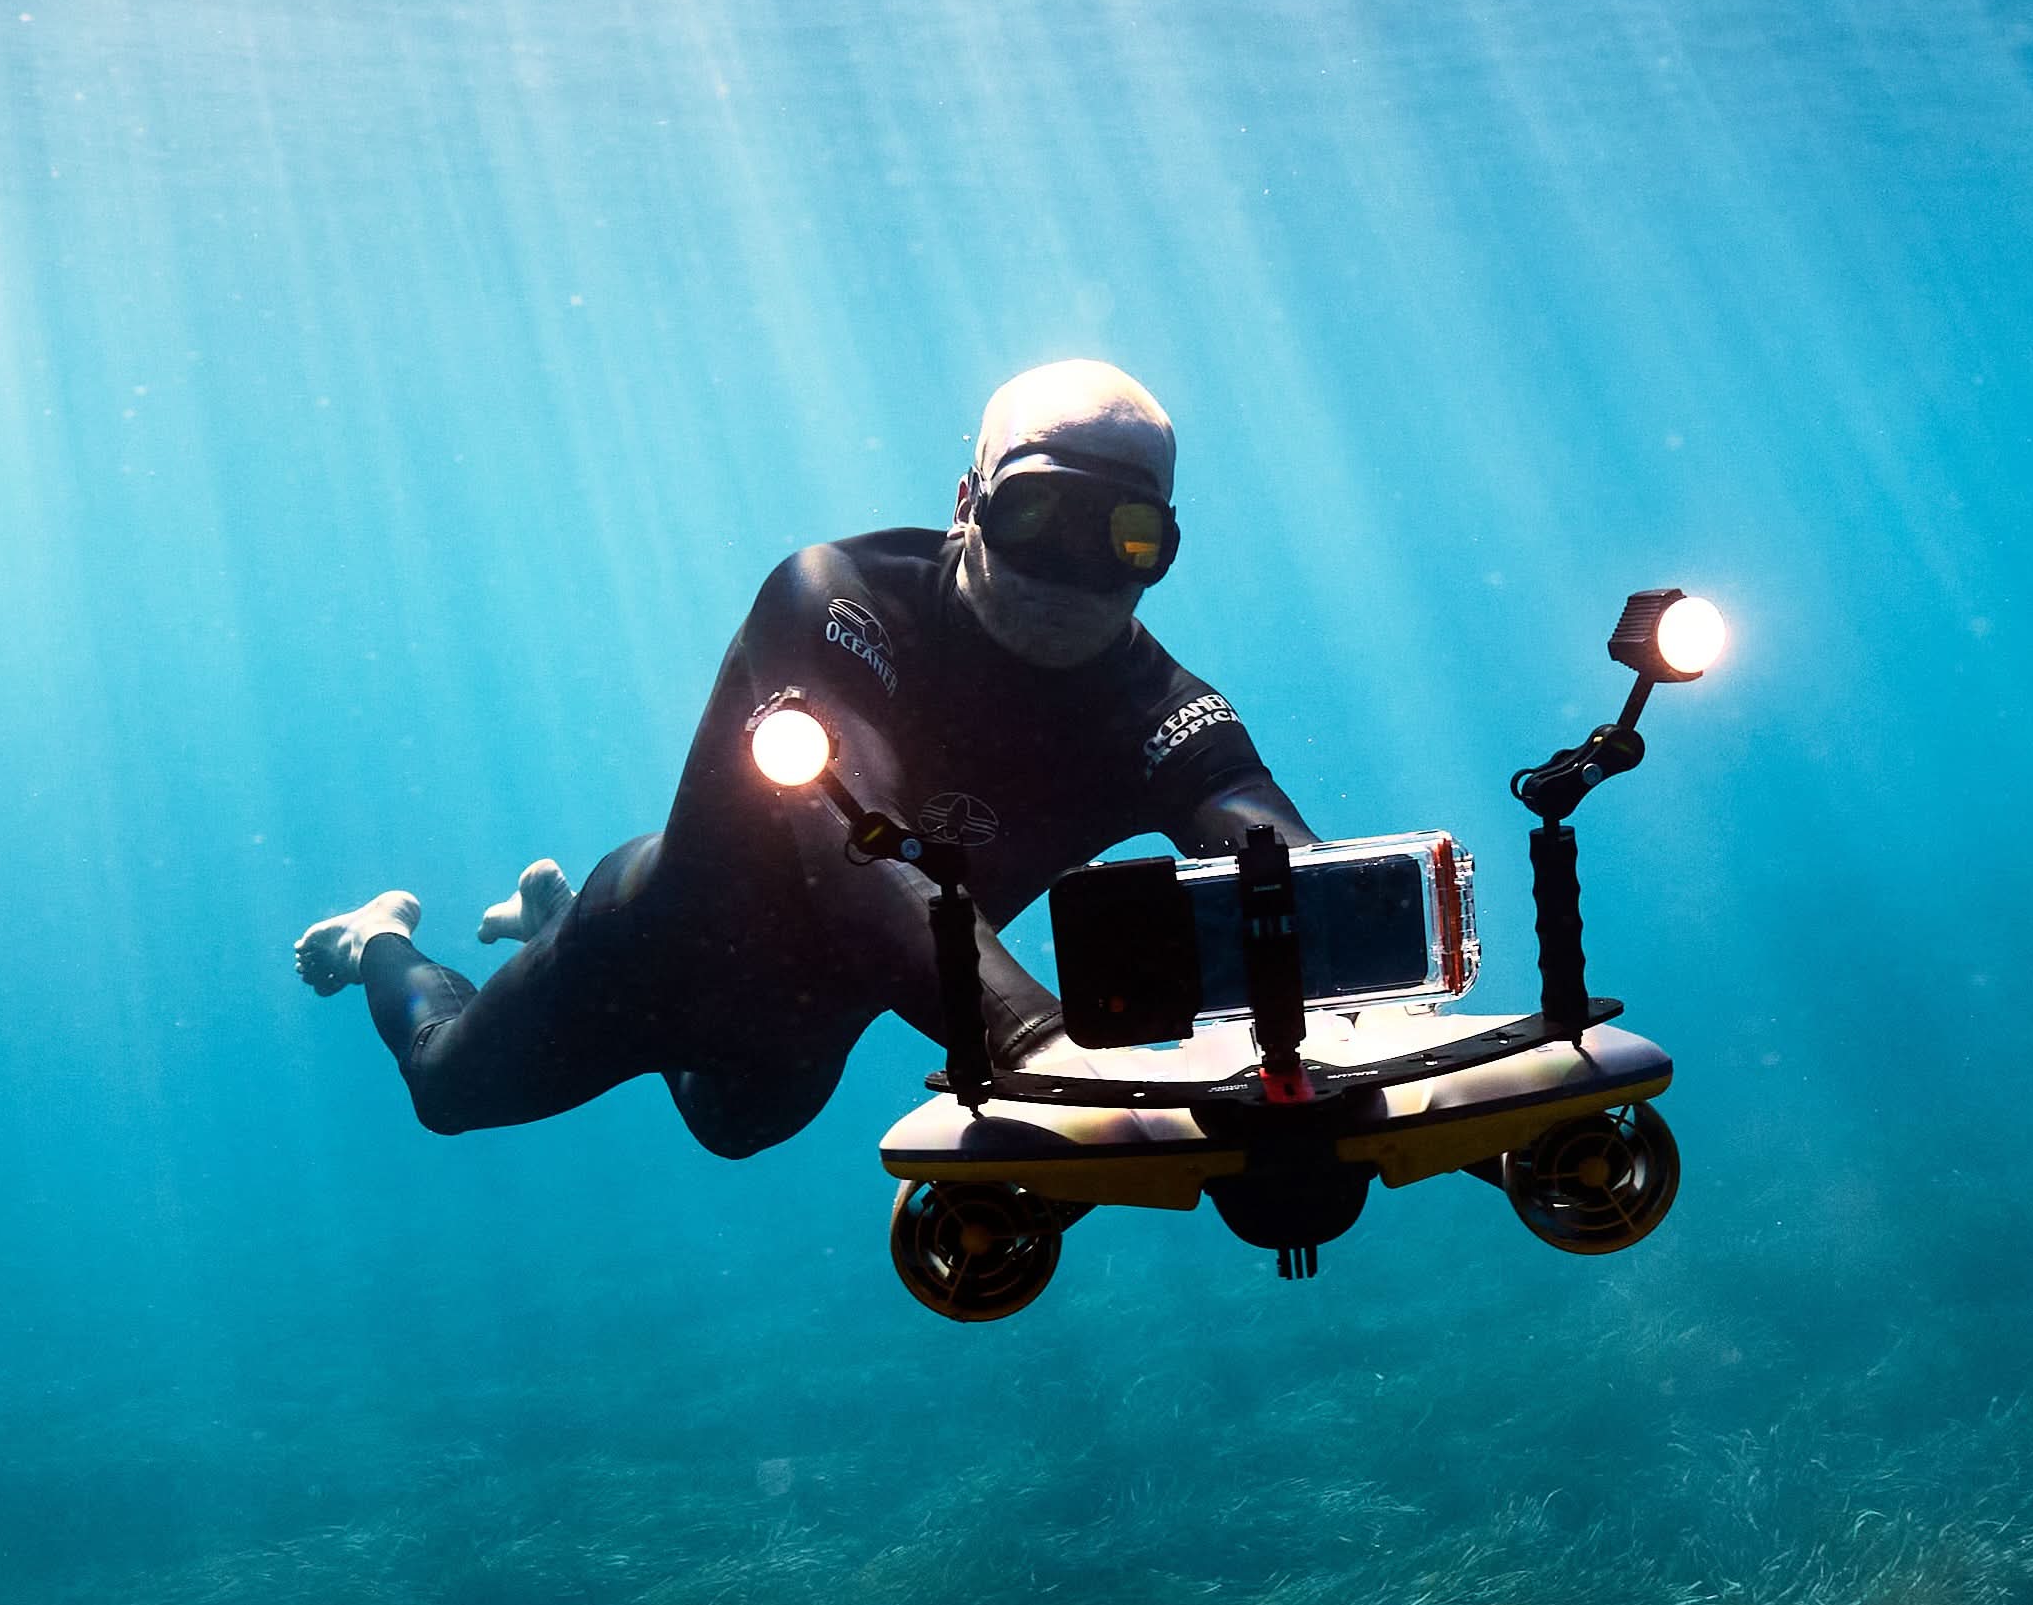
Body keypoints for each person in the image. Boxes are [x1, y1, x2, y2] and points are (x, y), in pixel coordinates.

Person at [294, 361, 1313, 1157]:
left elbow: (1275, 847)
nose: (1075, 572)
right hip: (644, 958)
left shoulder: (1163, 708)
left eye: (1126, 537)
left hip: (802, 1027)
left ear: (1165, 551)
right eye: (1038, 516)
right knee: (443, 1091)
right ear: (970, 502)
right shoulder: (834, 599)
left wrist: (1388, 1023)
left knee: (732, 1132)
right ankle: (379, 939)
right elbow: (852, 839)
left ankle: (538, 915)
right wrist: (1035, 1042)